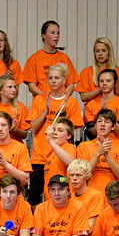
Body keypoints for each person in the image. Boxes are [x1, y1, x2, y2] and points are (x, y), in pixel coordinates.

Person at [26, 63, 83, 205]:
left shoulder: (71, 102)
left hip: (60, 156)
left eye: (57, 78)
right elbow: (33, 128)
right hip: (40, 155)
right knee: (35, 196)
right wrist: (46, 111)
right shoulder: (39, 100)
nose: (53, 81)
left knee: (60, 194)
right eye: (50, 78)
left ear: (64, 80)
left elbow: (71, 129)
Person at [77, 109, 119, 195]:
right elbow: (83, 174)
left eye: (107, 122)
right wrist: (98, 152)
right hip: (89, 197)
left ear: (113, 127)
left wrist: (107, 155)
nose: (102, 124)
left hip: (112, 197)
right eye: (99, 121)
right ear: (95, 125)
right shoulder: (83, 146)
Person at [22, 20, 79, 96]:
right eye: (52, 33)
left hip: (61, 104)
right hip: (42, 102)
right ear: (43, 35)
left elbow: (71, 84)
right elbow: (31, 86)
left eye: (58, 33)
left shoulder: (64, 58)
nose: (56, 36)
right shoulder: (34, 59)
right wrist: (46, 97)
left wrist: (61, 98)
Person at [82, 68, 119, 141]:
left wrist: (107, 113)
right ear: (98, 84)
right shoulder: (90, 105)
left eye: (108, 81)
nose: (104, 83)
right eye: (101, 81)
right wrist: (100, 115)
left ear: (115, 83)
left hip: (117, 146)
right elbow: (90, 134)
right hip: (95, 145)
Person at [76, 37, 119, 103]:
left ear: (109, 52)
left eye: (103, 51)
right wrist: (101, 89)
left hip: (112, 109)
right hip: (92, 110)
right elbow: (83, 97)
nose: (100, 54)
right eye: (97, 51)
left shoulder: (117, 71)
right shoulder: (86, 72)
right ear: (94, 53)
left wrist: (113, 88)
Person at [43, 117, 76, 202]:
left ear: (68, 136)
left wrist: (50, 141)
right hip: (50, 200)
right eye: (53, 130)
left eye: (60, 130)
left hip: (64, 199)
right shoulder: (51, 153)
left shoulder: (69, 147)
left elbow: (70, 162)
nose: (55, 133)